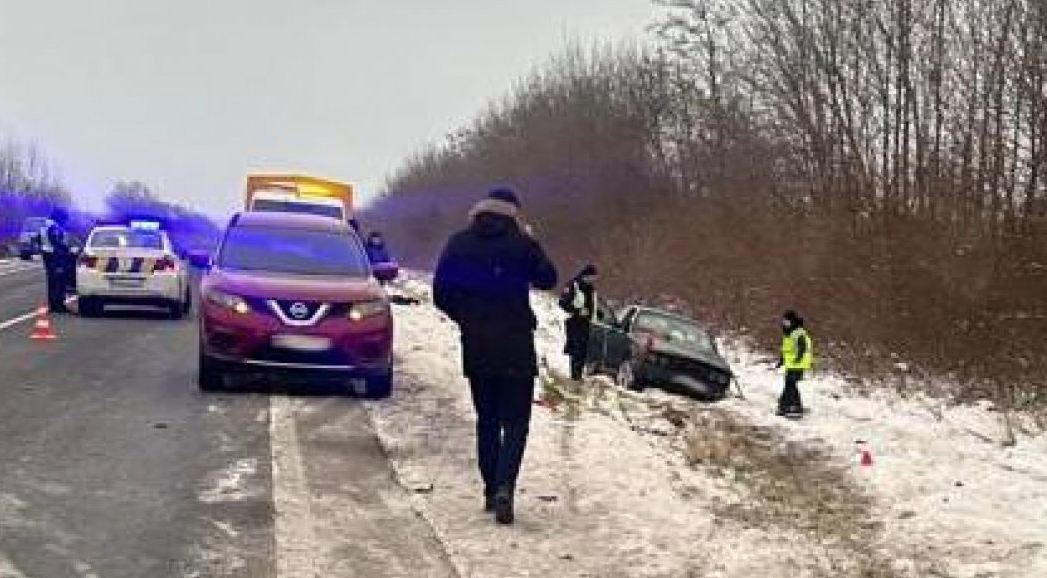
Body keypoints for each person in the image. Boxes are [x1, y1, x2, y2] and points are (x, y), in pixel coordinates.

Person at [433, 187, 558, 525]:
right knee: (516, 422)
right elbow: (549, 279)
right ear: (514, 213)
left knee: (487, 419)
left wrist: (468, 319)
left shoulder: (459, 243)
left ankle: (490, 490)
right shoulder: (522, 243)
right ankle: (505, 486)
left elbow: (440, 292)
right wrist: (532, 243)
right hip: (516, 343)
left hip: (478, 346)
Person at [559, 264, 598, 381]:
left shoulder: (591, 289)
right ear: (586, 275)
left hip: (586, 323)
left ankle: (578, 375)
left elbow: (591, 305)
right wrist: (577, 311)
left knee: (583, 351)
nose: (593, 280)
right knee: (576, 349)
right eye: (592, 277)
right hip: (574, 321)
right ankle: (575, 376)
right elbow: (563, 303)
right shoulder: (573, 285)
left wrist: (597, 313)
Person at [775, 310, 814, 418]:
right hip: (791, 364)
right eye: (784, 322)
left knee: (790, 383)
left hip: (799, 364)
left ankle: (794, 405)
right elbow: (786, 350)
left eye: (787, 322)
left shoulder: (798, 332)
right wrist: (781, 361)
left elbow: (802, 347)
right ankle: (785, 404)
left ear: (793, 322)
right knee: (789, 383)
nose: (785, 324)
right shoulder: (788, 334)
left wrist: (798, 358)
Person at [40, 207, 73, 313]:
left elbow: (39, 239)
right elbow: (56, 241)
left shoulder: (45, 224)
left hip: (47, 254)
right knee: (59, 281)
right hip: (55, 255)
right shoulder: (53, 226)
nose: (65, 221)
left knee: (52, 281)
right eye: (64, 219)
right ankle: (59, 305)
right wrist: (67, 250)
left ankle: (53, 305)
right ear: (59, 217)